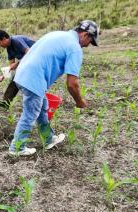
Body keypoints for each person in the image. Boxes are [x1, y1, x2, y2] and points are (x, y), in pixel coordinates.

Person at [9, 20, 98, 156]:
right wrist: (80, 102)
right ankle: (17, 148)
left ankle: (49, 139)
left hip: (23, 74)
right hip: (34, 78)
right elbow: (72, 84)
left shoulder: (58, 34)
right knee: (31, 113)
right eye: (90, 42)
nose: (87, 46)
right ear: (85, 35)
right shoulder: (74, 47)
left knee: (42, 108)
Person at [0, 30, 35, 109]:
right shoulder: (9, 48)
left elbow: (29, 53)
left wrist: (17, 64)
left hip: (37, 59)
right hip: (27, 63)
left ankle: (34, 104)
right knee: (15, 78)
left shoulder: (16, 40)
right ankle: (5, 102)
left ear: (4, 38)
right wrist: (3, 76)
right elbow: (11, 67)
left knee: (28, 82)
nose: (0, 45)